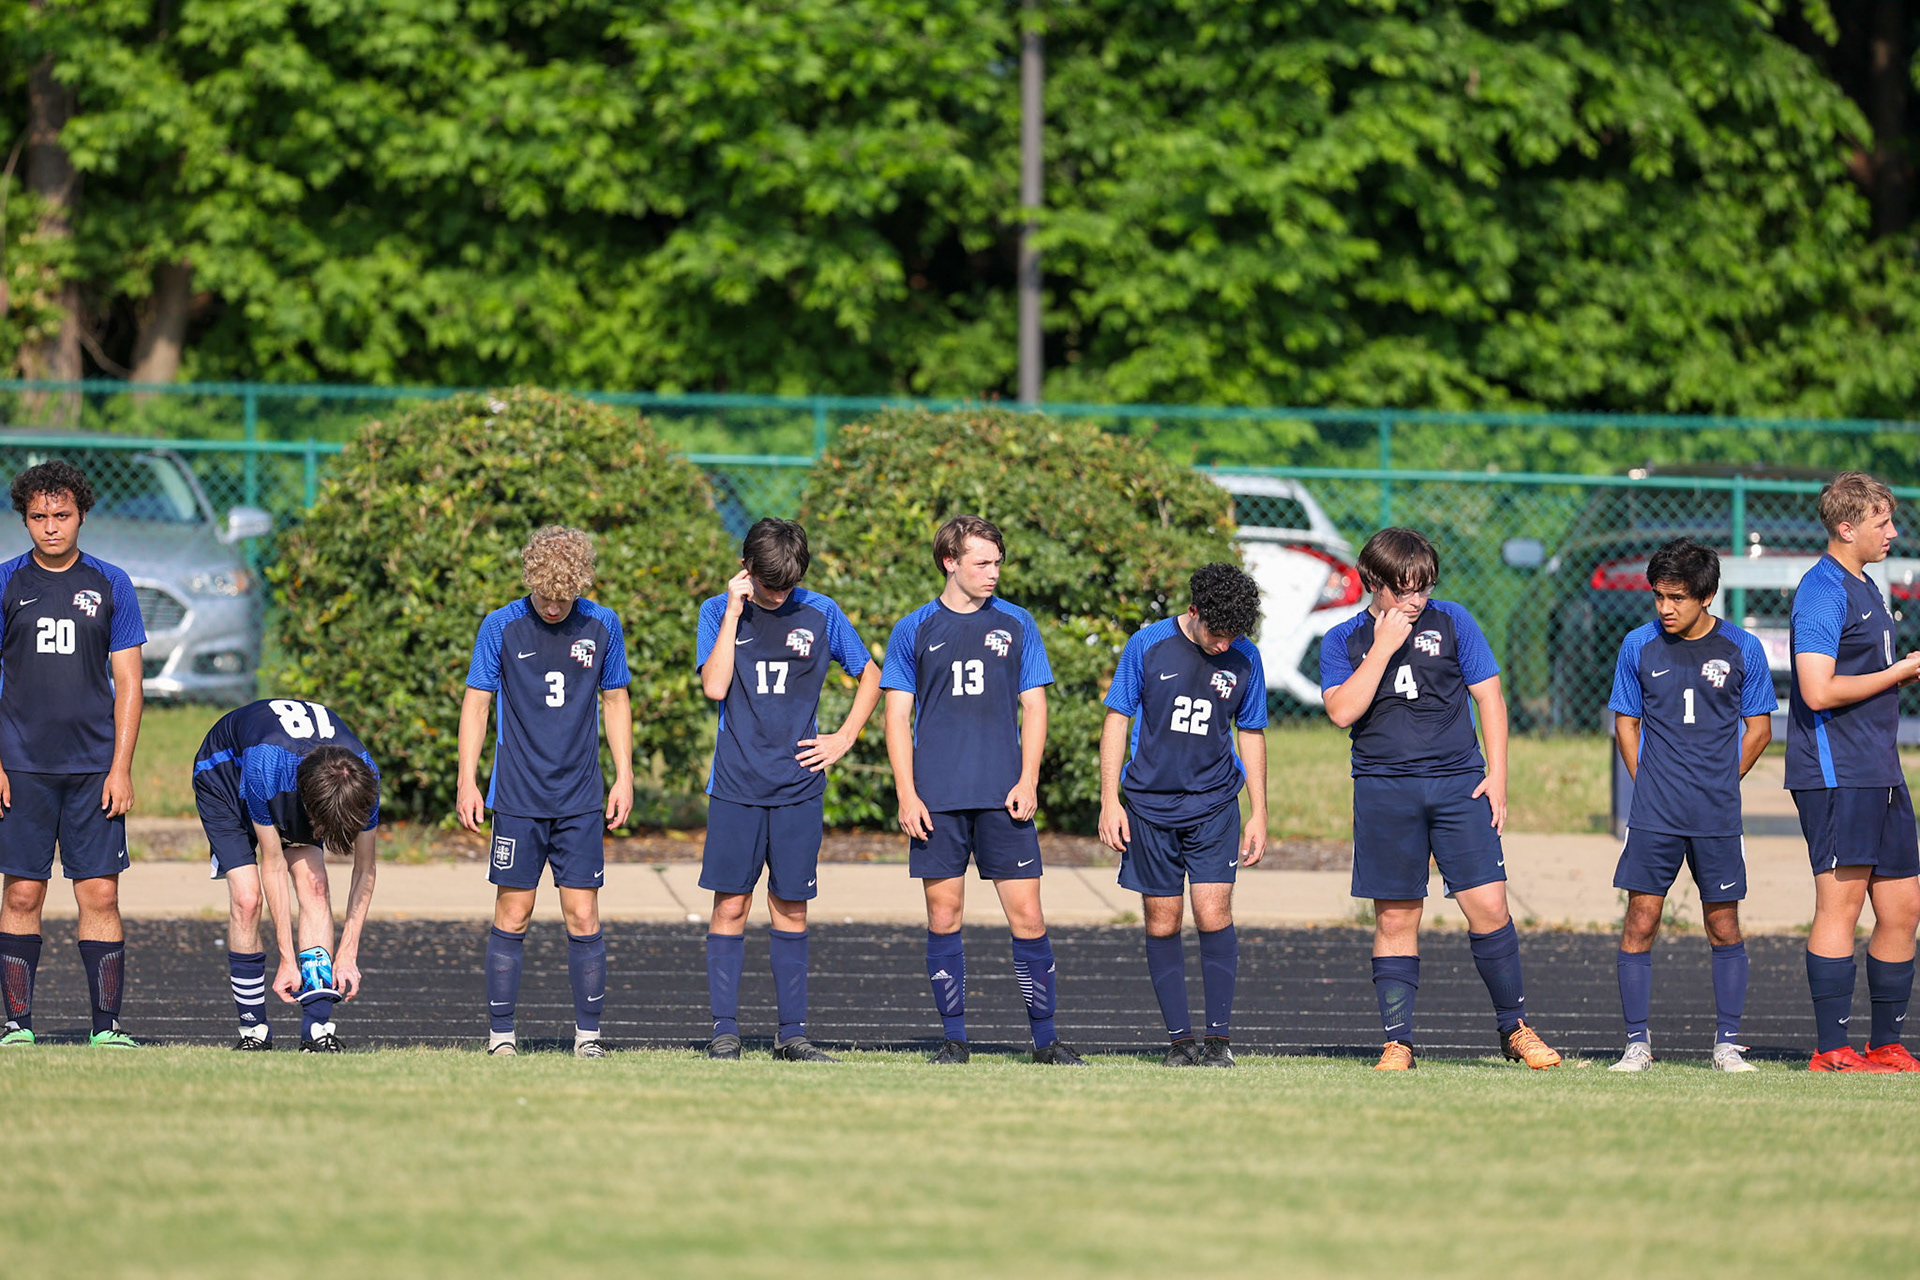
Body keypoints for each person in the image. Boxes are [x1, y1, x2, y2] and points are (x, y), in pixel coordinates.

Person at [1320, 527, 1560, 1071]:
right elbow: (1341, 712)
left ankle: (1515, 1028)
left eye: (1423, 588)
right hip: (1384, 789)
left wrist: (1498, 775)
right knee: (1397, 918)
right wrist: (1382, 648)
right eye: (1404, 589)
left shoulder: (1454, 621)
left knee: (1490, 905)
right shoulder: (1342, 640)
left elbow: (1489, 697)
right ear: (1373, 584)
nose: (1416, 600)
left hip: (1458, 785)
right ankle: (1398, 1040)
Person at [882, 514, 1084, 1065]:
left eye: (997, 562)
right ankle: (954, 1040)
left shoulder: (1018, 623)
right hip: (937, 800)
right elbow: (896, 718)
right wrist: (907, 793)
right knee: (944, 918)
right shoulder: (914, 628)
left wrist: (1028, 779)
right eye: (981, 562)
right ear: (950, 562)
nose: (993, 572)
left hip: (1004, 798)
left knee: (1030, 919)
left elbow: (1035, 706)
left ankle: (1046, 1042)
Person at [695, 518, 882, 1061]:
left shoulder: (820, 611)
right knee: (730, 904)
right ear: (746, 568)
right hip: (736, 785)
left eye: (786, 586)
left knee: (791, 907)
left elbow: (870, 672)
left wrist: (843, 738)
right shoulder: (718, 610)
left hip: (799, 786)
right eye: (767, 585)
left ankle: (792, 1034)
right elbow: (714, 686)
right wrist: (734, 611)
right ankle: (724, 1031)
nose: (777, 596)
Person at [458, 526, 632, 1059]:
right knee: (514, 912)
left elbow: (616, 700)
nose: (554, 608)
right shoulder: (501, 625)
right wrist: (468, 778)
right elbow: (477, 703)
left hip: (579, 797)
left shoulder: (602, 623)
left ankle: (588, 1038)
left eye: (564, 598)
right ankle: (501, 1038)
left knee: (583, 915)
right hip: (516, 797)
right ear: (530, 581)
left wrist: (624, 775)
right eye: (545, 597)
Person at [1605, 539, 1775, 1073]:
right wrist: (1647, 780)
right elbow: (1625, 724)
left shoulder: (1742, 648)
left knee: (1723, 924)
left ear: (1706, 596)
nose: (1665, 608)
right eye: (1658, 596)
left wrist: (1722, 779)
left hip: (1716, 813)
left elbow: (1761, 729)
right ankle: (1637, 1044)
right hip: (1655, 812)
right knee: (1641, 919)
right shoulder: (1638, 645)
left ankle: (1727, 1044)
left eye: (1676, 597)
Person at [1098, 562, 1268, 1067]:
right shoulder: (1146, 644)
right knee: (1162, 918)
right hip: (1149, 807)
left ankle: (1218, 1042)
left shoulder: (1245, 657)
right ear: (1193, 612)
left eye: (1234, 635)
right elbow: (1116, 720)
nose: (1224, 645)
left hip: (1216, 804)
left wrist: (1259, 811)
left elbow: (1252, 732)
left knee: (1214, 912)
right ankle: (1179, 1041)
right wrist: (1110, 800)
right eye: (1218, 634)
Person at [0, 461, 145, 1048]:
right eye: (39, 517)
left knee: (101, 893)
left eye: (62, 515)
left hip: (93, 770)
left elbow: (129, 684)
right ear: (25, 519)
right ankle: (15, 1023)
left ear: (82, 514)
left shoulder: (113, 583)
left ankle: (106, 1028)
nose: (51, 527)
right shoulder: (6, 582)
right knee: (21, 892)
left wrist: (121, 767)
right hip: (21, 768)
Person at [1787, 472, 1920, 1072]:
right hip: (1837, 772)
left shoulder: (1869, 585)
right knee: (1839, 907)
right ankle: (1831, 1048)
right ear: (1847, 528)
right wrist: (1904, 670)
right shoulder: (1822, 590)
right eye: (1881, 523)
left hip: (1881, 770)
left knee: (1903, 909)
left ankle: (1886, 1043)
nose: (1892, 532)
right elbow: (1816, 691)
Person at [194, 699, 382, 1051]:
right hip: (224, 772)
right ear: (309, 804)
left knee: (314, 883)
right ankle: (254, 1032)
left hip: (297, 771)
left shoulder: (365, 776)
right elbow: (274, 863)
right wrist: (286, 959)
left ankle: (317, 1030)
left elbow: (365, 869)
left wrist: (348, 953)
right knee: (248, 898)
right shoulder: (266, 766)